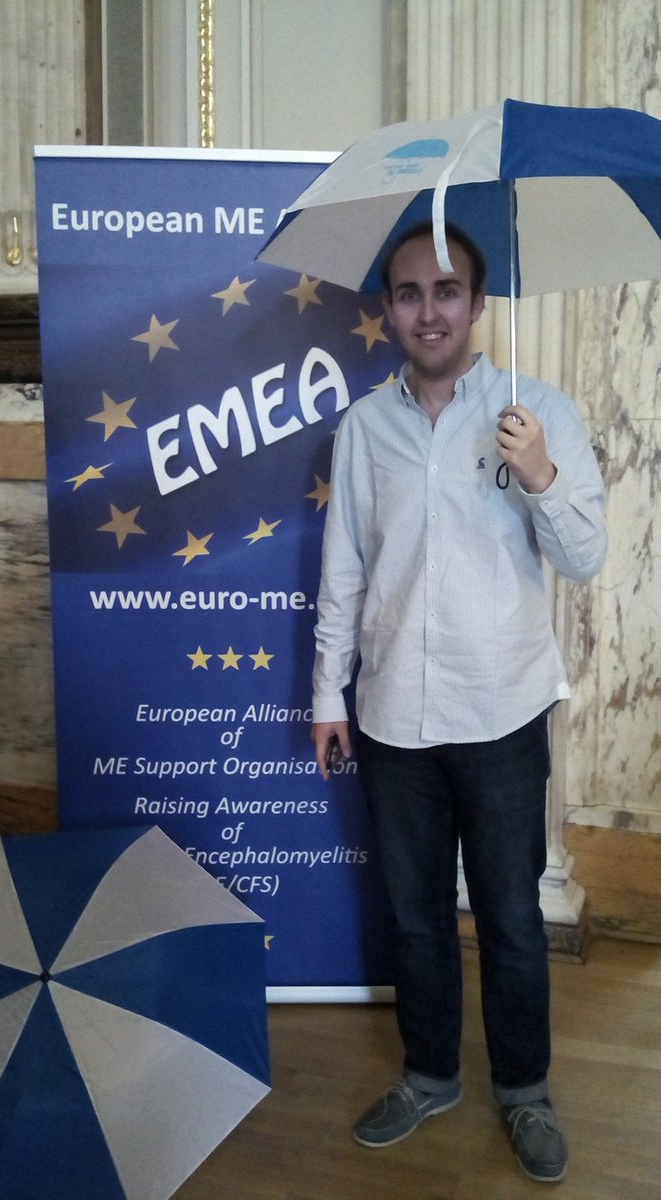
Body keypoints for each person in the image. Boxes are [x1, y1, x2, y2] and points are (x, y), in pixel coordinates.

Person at [311, 220, 607, 1184]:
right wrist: (327, 695)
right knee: (415, 918)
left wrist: (539, 475)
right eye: (409, 292)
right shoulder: (365, 428)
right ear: (388, 308)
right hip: (392, 716)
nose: (428, 310)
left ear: (478, 304)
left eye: (447, 291)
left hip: (502, 713)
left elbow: (584, 557)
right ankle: (430, 1075)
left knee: (512, 920)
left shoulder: (537, 412)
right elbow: (345, 570)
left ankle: (523, 1090)